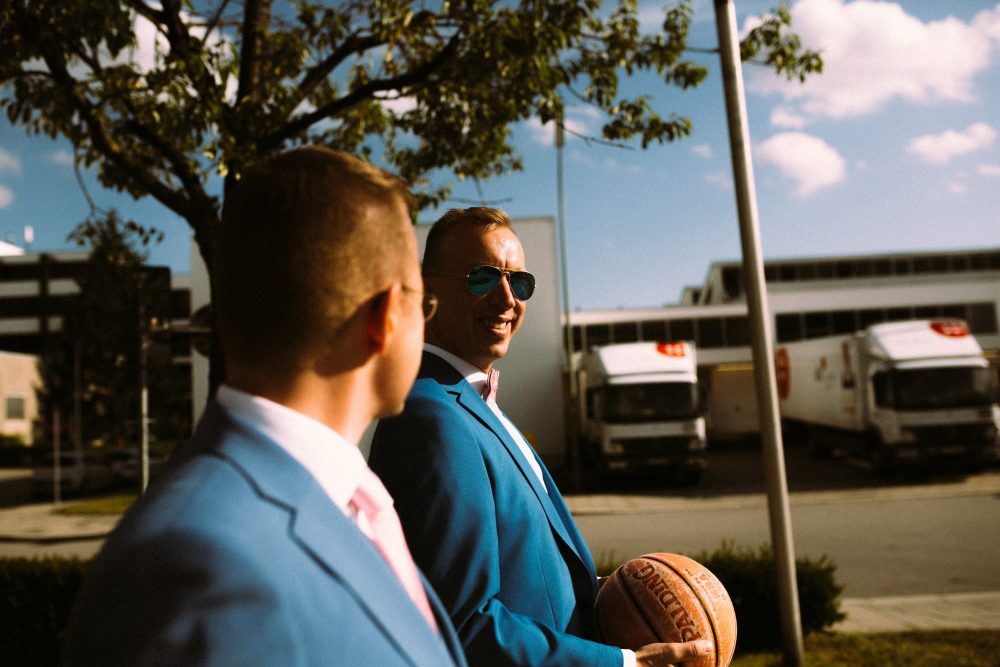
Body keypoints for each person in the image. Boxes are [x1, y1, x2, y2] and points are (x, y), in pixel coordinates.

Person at [62, 147, 467, 666]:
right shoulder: (204, 573)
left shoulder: (342, 499)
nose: (426, 320)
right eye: (422, 302)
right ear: (384, 315)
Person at [368, 207, 711, 667]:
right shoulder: (432, 417)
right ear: (428, 289)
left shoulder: (472, 405)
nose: (506, 297)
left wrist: (606, 595)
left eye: (520, 282)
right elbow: (463, 625)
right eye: (483, 277)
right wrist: (627, 664)